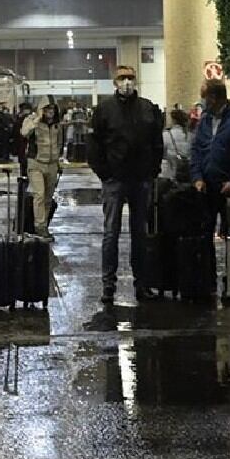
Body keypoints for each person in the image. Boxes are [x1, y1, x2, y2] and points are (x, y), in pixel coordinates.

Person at [88, 65, 163, 305]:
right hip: (115, 180)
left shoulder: (147, 108)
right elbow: (94, 145)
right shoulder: (104, 110)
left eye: (131, 77)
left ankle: (142, 284)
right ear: (115, 81)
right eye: (122, 77)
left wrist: (152, 171)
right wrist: (105, 173)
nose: (127, 81)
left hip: (140, 179)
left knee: (140, 234)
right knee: (111, 233)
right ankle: (108, 285)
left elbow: (156, 142)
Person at [190, 80, 230, 237]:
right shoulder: (204, 120)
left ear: (213, 97)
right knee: (204, 233)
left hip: (229, 186)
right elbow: (196, 150)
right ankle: (208, 262)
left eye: (203, 97)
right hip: (206, 187)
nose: (202, 101)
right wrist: (197, 177)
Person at [20, 101, 65, 241]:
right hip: (36, 163)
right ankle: (39, 227)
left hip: (52, 164)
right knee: (39, 194)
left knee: (47, 198)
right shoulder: (31, 120)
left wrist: (58, 162)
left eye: (52, 109)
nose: (50, 111)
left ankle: (43, 226)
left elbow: (59, 144)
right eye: (47, 109)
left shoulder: (57, 125)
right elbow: (24, 133)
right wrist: (37, 119)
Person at [160, 108, 192, 182]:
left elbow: (161, 153)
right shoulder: (190, 135)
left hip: (170, 175)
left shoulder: (167, 135)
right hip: (188, 175)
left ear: (173, 120)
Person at [13, 103, 33, 177]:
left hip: (23, 145)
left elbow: (15, 133)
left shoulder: (19, 119)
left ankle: (24, 178)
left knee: (23, 164)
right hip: (25, 145)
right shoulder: (32, 119)